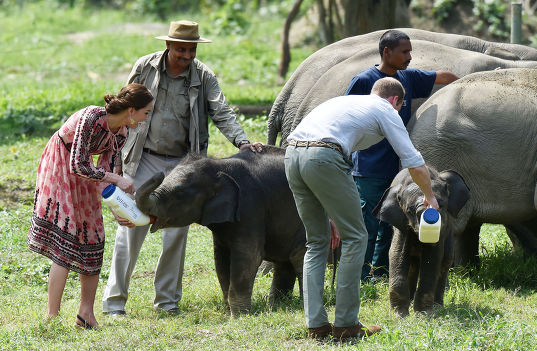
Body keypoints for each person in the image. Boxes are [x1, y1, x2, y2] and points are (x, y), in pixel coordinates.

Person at [102, 20, 262, 316]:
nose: (187, 55)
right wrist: (110, 142)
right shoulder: (145, 66)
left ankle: (167, 302)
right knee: (130, 229)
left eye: (191, 49)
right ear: (168, 46)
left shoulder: (203, 75)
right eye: (181, 50)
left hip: (182, 164)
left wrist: (242, 141)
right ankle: (114, 304)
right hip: (143, 156)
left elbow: (221, 110)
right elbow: (127, 103)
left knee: (175, 234)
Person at [285, 77, 439, 341]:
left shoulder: (347, 102)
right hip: (324, 156)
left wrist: (333, 214)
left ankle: (317, 327)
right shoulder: (385, 110)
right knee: (357, 237)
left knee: (317, 242)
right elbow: (413, 162)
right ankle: (346, 324)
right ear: (395, 101)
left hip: (292, 155)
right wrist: (430, 196)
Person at [28, 83, 154, 328]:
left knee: (94, 237)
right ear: (131, 110)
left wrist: (118, 209)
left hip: (88, 173)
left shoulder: (122, 134)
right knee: (67, 236)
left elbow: (106, 176)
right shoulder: (92, 117)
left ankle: (85, 315)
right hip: (61, 164)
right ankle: (51, 318)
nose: (146, 118)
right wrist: (117, 179)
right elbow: (77, 164)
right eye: (145, 112)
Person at [345, 29, 458, 282]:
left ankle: (382, 272)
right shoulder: (364, 80)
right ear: (387, 52)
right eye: (404, 51)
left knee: (391, 222)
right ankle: (360, 275)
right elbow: (347, 113)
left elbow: (443, 77)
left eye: (410, 51)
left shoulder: (408, 77)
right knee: (369, 223)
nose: (409, 56)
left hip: (398, 170)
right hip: (369, 166)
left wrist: (465, 85)